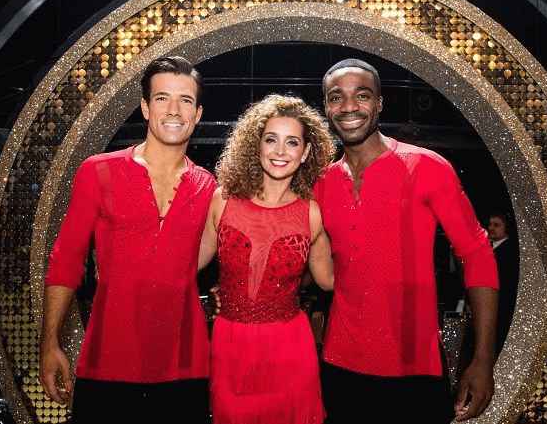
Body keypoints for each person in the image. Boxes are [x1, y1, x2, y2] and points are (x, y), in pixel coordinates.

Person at [314, 59, 500, 423]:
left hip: (414, 369)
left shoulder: (427, 167)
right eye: (336, 97)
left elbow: (478, 256)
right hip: (339, 368)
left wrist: (482, 359)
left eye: (362, 95)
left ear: (380, 103)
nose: (349, 106)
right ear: (326, 107)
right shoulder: (321, 182)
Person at [39, 56, 215, 423]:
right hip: (107, 364)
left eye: (185, 100)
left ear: (198, 114)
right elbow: (66, 260)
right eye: (162, 98)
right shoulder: (98, 171)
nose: (174, 110)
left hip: (185, 369)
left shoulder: (208, 186)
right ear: (145, 108)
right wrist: (50, 342)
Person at [198, 94, 335, 424]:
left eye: (292, 142)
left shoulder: (311, 213)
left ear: (305, 153)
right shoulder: (222, 201)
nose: (280, 151)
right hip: (230, 346)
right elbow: (185, 265)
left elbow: (330, 281)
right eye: (271, 139)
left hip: (290, 349)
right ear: (256, 145)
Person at [487, 212, 519, 354]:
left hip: (501, 304)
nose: (491, 228)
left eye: (496, 225)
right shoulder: (489, 247)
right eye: (490, 224)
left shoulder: (509, 250)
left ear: (506, 228)